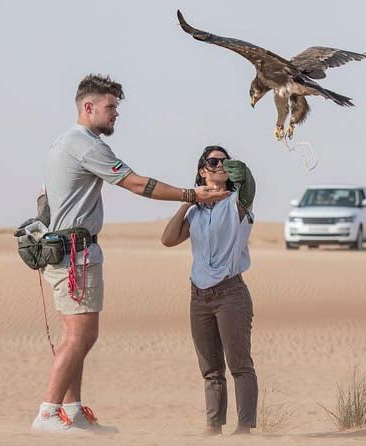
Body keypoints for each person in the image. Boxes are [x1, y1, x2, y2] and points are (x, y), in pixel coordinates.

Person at [30, 74, 230, 433]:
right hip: (75, 254)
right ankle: (47, 413)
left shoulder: (63, 143)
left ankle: (72, 412)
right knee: (80, 337)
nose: (116, 114)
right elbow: (136, 184)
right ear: (88, 107)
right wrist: (192, 195)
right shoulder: (86, 145)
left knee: (75, 335)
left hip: (66, 251)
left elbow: (44, 200)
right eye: (110, 107)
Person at [161, 145, 258, 435]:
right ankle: (213, 426)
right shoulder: (195, 211)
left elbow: (249, 189)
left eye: (224, 162)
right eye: (213, 161)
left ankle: (244, 429)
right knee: (210, 368)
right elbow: (167, 239)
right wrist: (187, 201)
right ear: (203, 171)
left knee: (239, 363)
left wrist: (246, 177)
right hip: (199, 296)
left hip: (230, 293)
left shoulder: (237, 203)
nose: (220, 165)